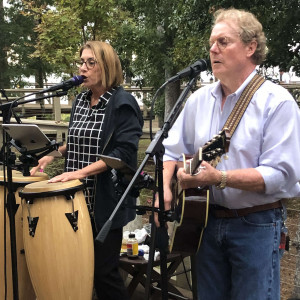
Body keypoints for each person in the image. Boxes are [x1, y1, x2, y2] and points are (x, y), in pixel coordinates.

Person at [158, 8, 300, 300]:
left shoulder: (276, 102)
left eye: (223, 42)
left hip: (256, 226)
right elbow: (170, 150)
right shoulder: (198, 100)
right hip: (204, 223)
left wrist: (220, 177)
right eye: (211, 43)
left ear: (250, 47)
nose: (213, 49)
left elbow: (282, 175)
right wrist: (165, 190)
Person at [31, 41, 143, 300]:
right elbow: (81, 139)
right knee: (78, 269)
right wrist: (54, 153)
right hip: (76, 200)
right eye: (81, 62)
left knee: (105, 274)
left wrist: (78, 173)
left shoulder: (122, 103)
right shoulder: (81, 99)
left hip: (106, 200)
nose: (83, 67)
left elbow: (122, 154)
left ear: (107, 66)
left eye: (90, 62)